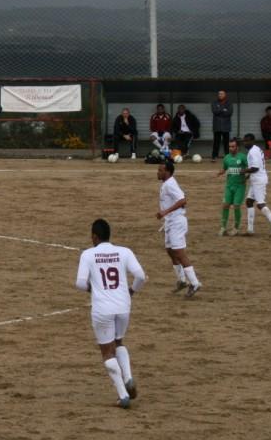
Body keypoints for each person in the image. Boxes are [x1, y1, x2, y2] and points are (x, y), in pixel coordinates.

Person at [74, 218, 147, 408]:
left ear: (94, 237)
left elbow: (80, 283)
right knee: (119, 341)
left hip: (102, 309)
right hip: (123, 306)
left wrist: (94, 289)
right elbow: (140, 276)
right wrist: (132, 291)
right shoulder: (124, 251)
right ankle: (128, 376)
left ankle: (123, 395)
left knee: (107, 352)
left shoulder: (88, 255)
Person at [156, 160, 202, 297]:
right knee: (170, 250)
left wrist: (165, 212)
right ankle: (182, 280)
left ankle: (194, 283)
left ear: (168, 172)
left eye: (160, 170)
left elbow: (183, 200)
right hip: (170, 222)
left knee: (179, 253)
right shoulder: (168, 183)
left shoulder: (170, 184)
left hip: (176, 222)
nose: (158, 172)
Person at [242, 134, 271, 237]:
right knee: (249, 201)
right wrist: (247, 177)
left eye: (247, 141)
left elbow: (255, 168)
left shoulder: (253, 152)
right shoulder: (255, 149)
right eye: (244, 141)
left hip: (258, 180)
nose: (245, 143)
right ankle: (250, 230)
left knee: (260, 204)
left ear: (252, 141)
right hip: (256, 179)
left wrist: (244, 171)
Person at [217, 138, 248, 236]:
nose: (231, 148)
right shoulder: (226, 158)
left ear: (237, 147)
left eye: (233, 146)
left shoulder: (243, 157)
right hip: (229, 186)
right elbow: (225, 168)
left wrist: (246, 177)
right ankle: (223, 227)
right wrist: (221, 172)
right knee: (225, 205)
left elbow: (249, 169)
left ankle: (236, 228)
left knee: (236, 206)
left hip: (240, 186)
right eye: (229, 146)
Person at [210, 90, 233, 160]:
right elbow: (214, 111)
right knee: (216, 142)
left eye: (222, 94)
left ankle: (227, 156)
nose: (220, 95)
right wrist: (223, 109)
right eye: (219, 94)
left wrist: (219, 109)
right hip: (217, 125)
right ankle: (214, 156)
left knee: (226, 142)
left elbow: (229, 113)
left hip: (226, 126)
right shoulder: (214, 102)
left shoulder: (229, 103)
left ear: (225, 95)